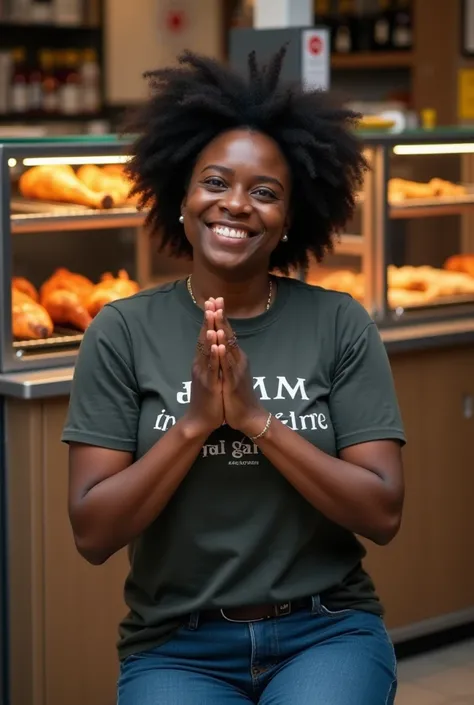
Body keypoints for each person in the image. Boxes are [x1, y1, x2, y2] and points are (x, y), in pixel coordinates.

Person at [62, 46, 406, 705]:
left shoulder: (338, 323)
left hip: (325, 629)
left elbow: (383, 511)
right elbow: (93, 533)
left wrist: (255, 419)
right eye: (215, 182)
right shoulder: (122, 330)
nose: (237, 204)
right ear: (181, 198)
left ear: (289, 220)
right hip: (176, 645)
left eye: (266, 192)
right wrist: (194, 422)